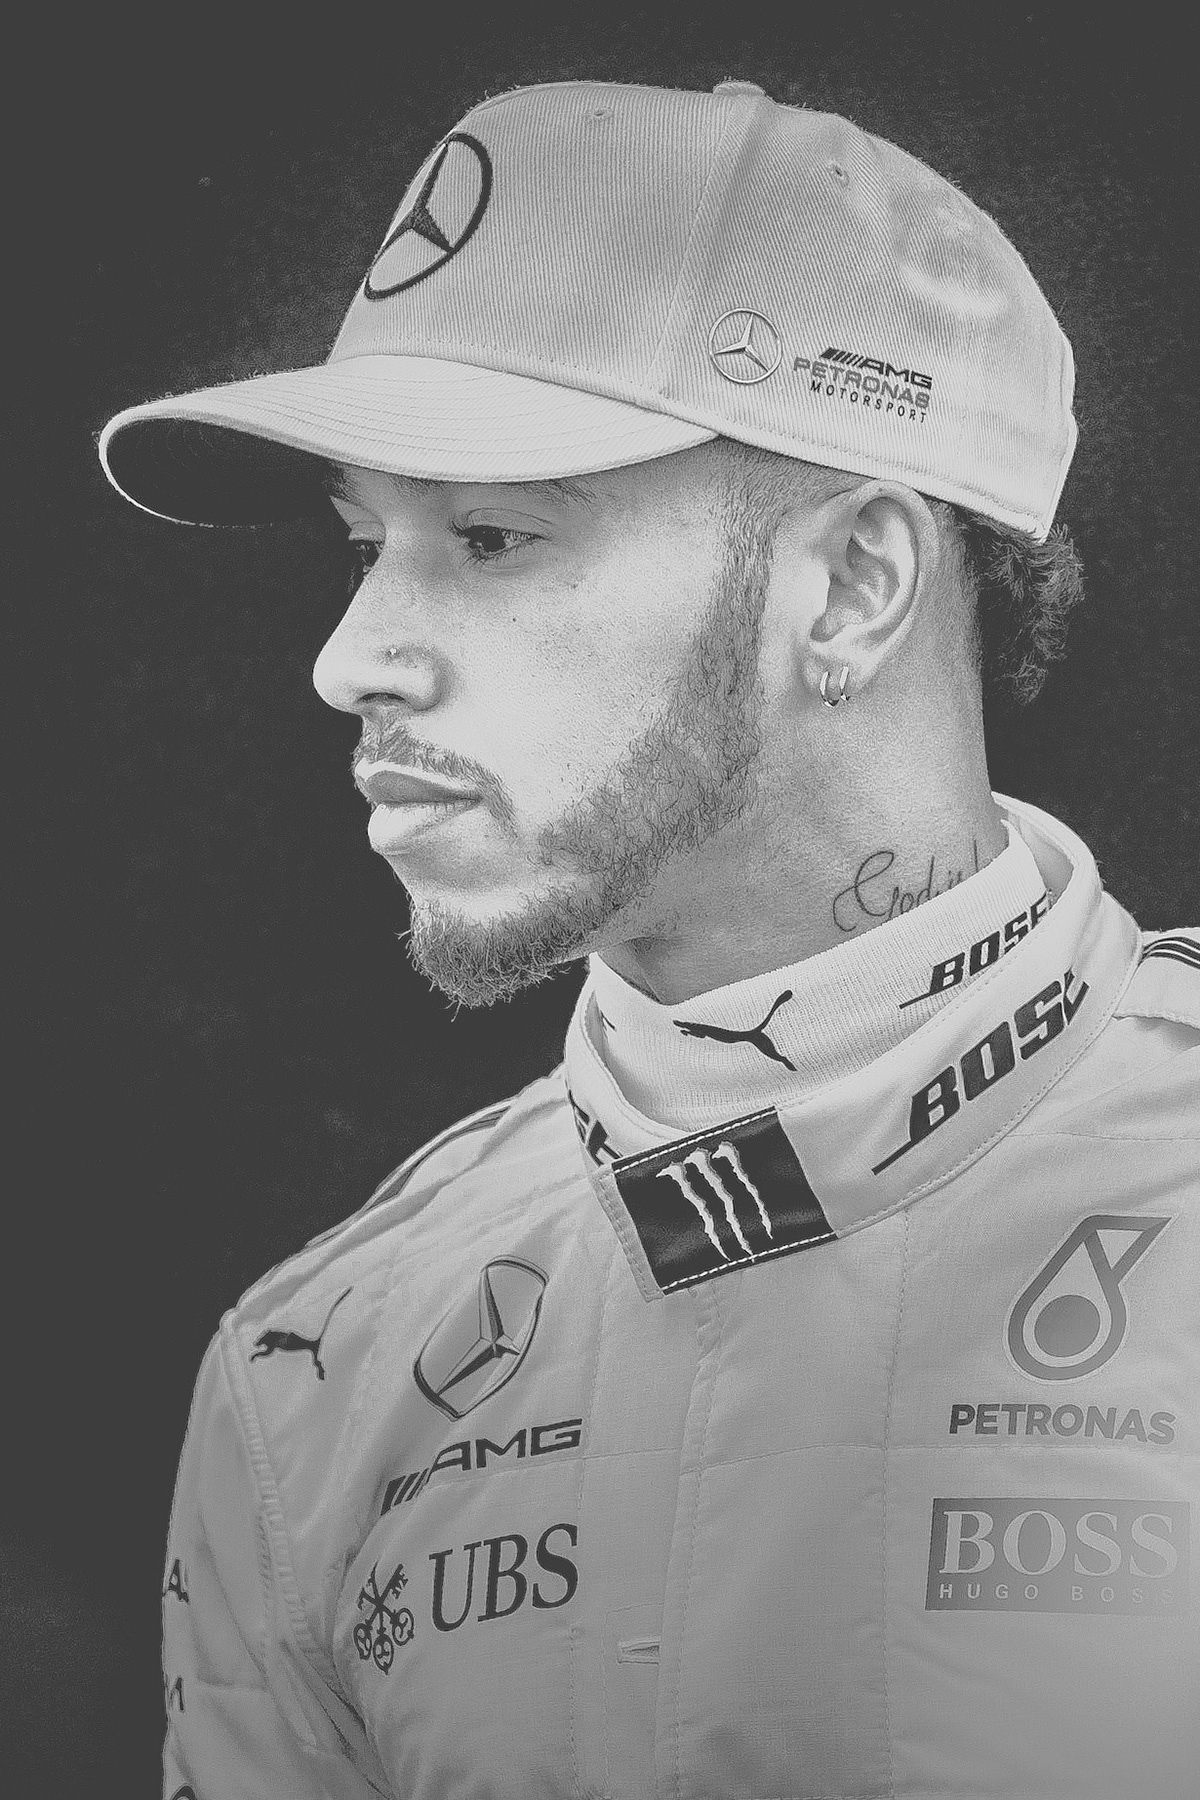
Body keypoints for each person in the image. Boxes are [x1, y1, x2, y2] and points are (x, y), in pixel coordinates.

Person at [100, 78, 1198, 1800]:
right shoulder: (311, 1376)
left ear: (851, 590)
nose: (351, 658)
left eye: (489, 536)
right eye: (363, 544)